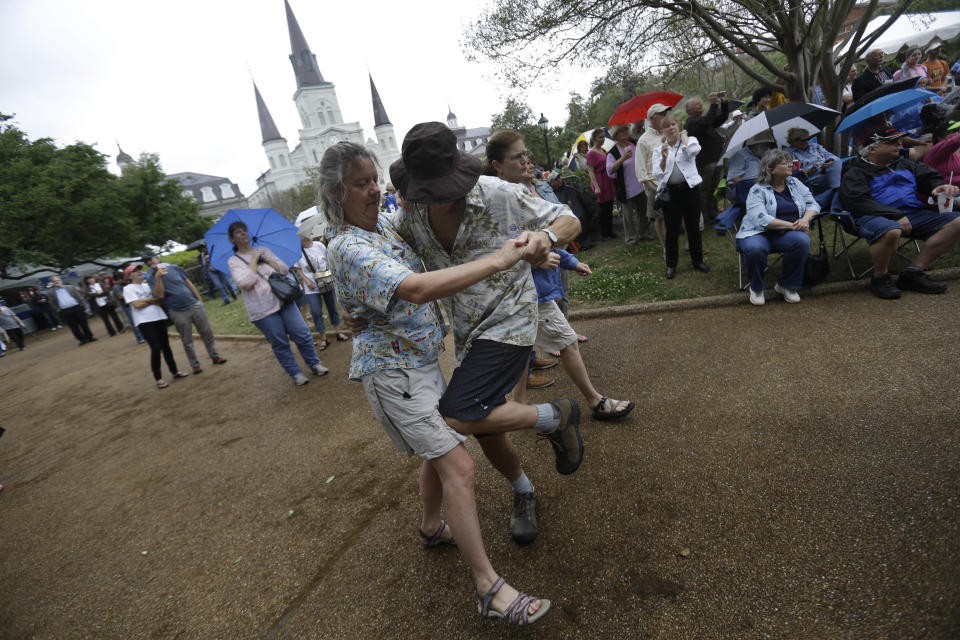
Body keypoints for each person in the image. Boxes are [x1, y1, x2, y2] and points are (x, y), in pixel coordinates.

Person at [322, 140, 560, 626]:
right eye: (361, 183)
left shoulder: (386, 224)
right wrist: (499, 260)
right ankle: (488, 589)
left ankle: (432, 527)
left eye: (374, 180)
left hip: (422, 362)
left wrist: (351, 308)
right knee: (458, 464)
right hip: (394, 374)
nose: (374, 191)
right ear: (336, 192)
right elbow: (414, 286)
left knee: (440, 448)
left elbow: (411, 260)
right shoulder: (345, 244)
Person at [389, 121, 583, 547]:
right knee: (485, 423)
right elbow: (383, 255)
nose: (441, 194)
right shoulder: (412, 215)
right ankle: (524, 490)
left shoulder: (501, 193)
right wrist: (358, 301)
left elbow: (569, 220)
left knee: (457, 412)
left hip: (511, 323)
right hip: (468, 334)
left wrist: (546, 237)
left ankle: (556, 415)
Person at [839, 126, 960, 299]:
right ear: (872, 148)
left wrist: (938, 187)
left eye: (899, 142)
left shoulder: (906, 164)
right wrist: (894, 215)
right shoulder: (856, 170)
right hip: (873, 216)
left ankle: (913, 273)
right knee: (891, 230)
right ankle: (880, 278)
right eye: (892, 143)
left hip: (912, 215)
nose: (900, 146)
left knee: (957, 222)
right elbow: (857, 201)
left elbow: (929, 177)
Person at [227, 221, 328, 385]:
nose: (243, 233)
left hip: (283, 300)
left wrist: (266, 259)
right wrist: (253, 261)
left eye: (244, 230)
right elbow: (245, 282)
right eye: (238, 232)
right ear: (232, 239)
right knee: (280, 342)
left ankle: (315, 364)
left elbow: (283, 269)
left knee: (302, 333)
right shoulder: (234, 261)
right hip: (262, 310)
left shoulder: (263, 250)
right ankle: (295, 374)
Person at [736, 150, 820, 306]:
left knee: (801, 241)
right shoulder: (757, 190)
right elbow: (760, 218)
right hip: (757, 232)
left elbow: (812, 203)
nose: (790, 164)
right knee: (755, 248)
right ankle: (756, 287)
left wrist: (805, 220)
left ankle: (786, 285)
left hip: (785, 233)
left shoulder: (794, 183)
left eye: (790, 161)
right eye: (784, 163)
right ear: (771, 169)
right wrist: (794, 226)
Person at [145, 254, 227, 375]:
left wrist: (199, 300)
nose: (149, 261)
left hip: (194, 305)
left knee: (207, 333)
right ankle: (195, 365)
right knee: (187, 339)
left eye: (151, 258)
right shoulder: (151, 279)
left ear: (158, 258)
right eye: (146, 261)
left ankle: (215, 356)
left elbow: (189, 283)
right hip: (177, 311)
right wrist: (158, 277)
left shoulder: (175, 268)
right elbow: (160, 295)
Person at [651, 115, 709, 279]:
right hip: (671, 193)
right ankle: (671, 265)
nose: (671, 128)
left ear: (678, 126)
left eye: (673, 124)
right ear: (662, 131)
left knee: (693, 228)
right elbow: (657, 174)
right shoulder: (658, 150)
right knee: (672, 231)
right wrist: (663, 158)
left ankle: (697, 261)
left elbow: (694, 151)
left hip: (690, 190)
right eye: (667, 126)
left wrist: (684, 136)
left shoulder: (689, 141)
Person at [122, 264, 189, 389]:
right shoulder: (128, 288)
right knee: (156, 348)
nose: (139, 272)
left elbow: (161, 299)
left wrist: (146, 300)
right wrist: (152, 300)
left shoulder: (148, 285)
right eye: (135, 271)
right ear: (129, 276)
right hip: (144, 321)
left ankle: (175, 372)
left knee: (166, 347)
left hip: (158, 317)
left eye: (139, 270)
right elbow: (136, 305)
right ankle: (158, 378)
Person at [293, 234, 349, 350]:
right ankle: (323, 338)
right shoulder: (297, 251)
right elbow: (297, 268)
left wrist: (331, 274)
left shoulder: (319, 245)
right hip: (312, 287)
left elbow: (329, 260)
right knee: (316, 312)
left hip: (326, 282)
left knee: (332, 307)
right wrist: (306, 280)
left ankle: (338, 332)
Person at [685, 93, 730, 224]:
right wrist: (714, 104)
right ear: (689, 110)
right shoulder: (691, 122)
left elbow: (721, 119)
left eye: (700, 103)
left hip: (715, 160)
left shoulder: (703, 120)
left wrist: (724, 103)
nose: (700, 104)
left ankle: (713, 212)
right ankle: (704, 216)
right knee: (704, 190)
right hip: (705, 163)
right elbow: (706, 123)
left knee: (714, 188)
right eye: (697, 104)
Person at [606, 124, 651, 244]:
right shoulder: (613, 152)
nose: (625, 132)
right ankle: (630, 238)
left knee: (643, 211)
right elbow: (610, 170)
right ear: (616, 135)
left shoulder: (633, 143)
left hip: (640, 184)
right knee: (628, 215)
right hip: (625, 188)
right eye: (621, 130)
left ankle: (644, 233)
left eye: (626, 129)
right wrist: (623, 158)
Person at [635, 103, 672, 249]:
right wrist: (652, 188)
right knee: (660, 217)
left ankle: (687, 244)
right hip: (655, 185)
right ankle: (666, 248)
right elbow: (640, 168)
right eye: (662, 114)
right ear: (652, 118)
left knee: (677, 215)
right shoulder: (643, 140)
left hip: (673, 181)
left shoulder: (669, 133)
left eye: (666, 114)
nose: (665, 117)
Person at [784, 128, 841, 194]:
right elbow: (794, 173)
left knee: (838, 162)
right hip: (812, 179)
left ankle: (836, 190)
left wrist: (829, 161)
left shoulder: (815, 146)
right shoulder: (789, 154)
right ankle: (836, 191)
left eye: (808, 139)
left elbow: (830, 156)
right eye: (803, 140)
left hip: (828, 171)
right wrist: (810, 170)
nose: (807, 142)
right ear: (794, 141)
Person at [547, 171, 595, 250]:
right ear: (551, 183)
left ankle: (585, 243)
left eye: (559, 177)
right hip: (564, 220)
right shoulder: (551, 195)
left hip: (580, 217)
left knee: (582, 216)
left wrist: (592, 211)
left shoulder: (570, 189)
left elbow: (584, 200)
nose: (559, 180)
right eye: (556, 179)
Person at [585, 128, 617, 239]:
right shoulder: (591, 153)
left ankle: (610, 231)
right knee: (603, 209)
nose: (602, 139)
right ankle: (604, 233)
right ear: (594, 139)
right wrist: (597, 187)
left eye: (603, 137)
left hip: (608, 180)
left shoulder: (603, 150)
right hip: (600, 181)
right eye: (600, 137)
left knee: (609, 207)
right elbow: (591, 171)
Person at [47, 276, 96, 346]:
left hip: (77, 308)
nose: (57, 282)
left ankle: (90, 337)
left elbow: (79, 296)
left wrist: (83, 306)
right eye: (55, 281)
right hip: (65, 311)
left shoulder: (70, 287)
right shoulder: (50, 292)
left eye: (58, 280)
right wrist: (59, 311)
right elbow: (52, 303)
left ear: (61, 280)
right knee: (73, 326)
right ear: (53, 283)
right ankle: (81, 339)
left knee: (84, 324)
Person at [923, 120, 960, 188]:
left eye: (958, 130)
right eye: (954, 130)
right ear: (940, 137)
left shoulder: (953, 151)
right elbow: (954, 141)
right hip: (943, 193)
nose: (958, 133)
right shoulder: (935, 150)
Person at [111, 274, 145, 344]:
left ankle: (144, 336)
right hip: (127, 306)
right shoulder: (116, 286)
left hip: (133, 304)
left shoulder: (125, 284)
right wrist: (130, 294)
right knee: (134, 322)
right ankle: (140, 338)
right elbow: (120, 296)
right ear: (119, 279)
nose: (126, 279)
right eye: (124, 278)